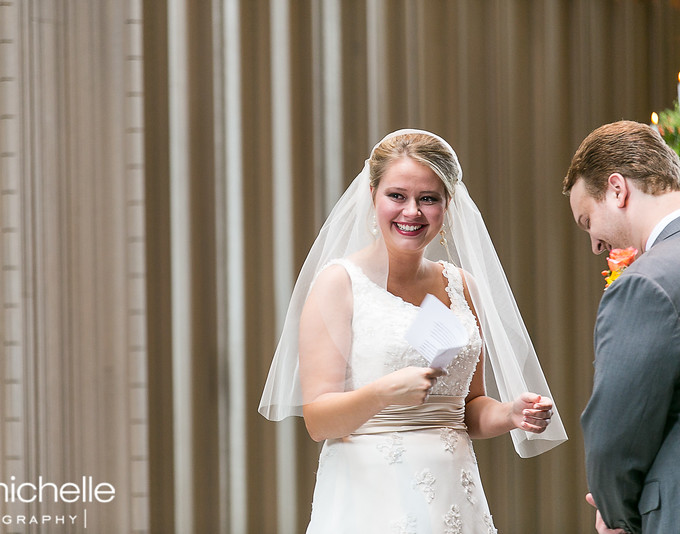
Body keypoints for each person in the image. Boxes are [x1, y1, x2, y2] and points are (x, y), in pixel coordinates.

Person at [260, 129, 567, 533]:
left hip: (454, 493)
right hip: (373, 495)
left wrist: (509, 413)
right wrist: (386, 391)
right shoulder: (339, 284)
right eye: (397, 196)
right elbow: (318, 422)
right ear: (372, 196)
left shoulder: (462, 286)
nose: (412, 212)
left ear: (446, 206)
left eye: (428, 199)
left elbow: (467, 408)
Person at [563, 120, 680, 534]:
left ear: (617, 189)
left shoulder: (647, 283)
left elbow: (615, 435)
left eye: (586, 220)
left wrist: (619, 517)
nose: (595, 243)